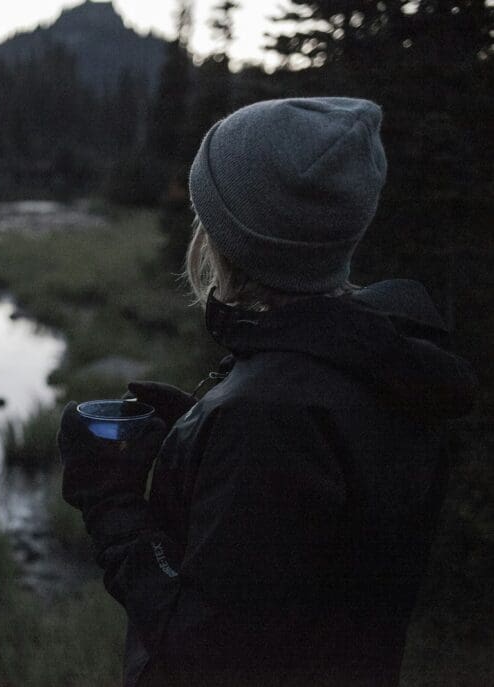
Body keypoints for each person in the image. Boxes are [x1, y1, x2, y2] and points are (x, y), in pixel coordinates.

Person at [58, 97, 478, 687]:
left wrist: (111, 502)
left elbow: (202, 654)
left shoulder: (267, 418)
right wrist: (196, 432)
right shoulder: (378, 360)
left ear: (231, 236)